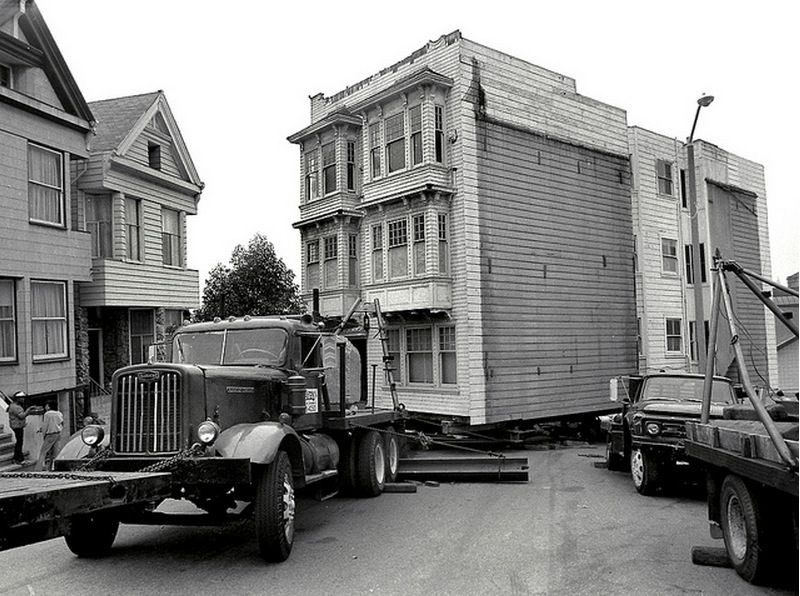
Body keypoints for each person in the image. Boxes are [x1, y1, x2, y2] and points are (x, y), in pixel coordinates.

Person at [7, 391, 36, 465]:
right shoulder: (15, 407)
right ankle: (20, 459)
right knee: (19, 442)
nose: (23, 399)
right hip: (17, 427)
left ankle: (16, 458)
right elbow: (21, 416)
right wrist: (28, 410)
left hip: (17, 426)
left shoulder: (13, 405)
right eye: (21, 398)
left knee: (19, 442)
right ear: (18, 399)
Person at [36, 401, 63, 472]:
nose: (45, 407)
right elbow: (61, 423)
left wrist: (44, 435)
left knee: (43, 452)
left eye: (46, 405)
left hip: (50, 434)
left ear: (49, 406)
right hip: (58, 433)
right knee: (55, 452)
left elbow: (45, 425)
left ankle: (38, 468)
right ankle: (53, 467)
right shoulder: (59, 413)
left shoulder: (47, 414)